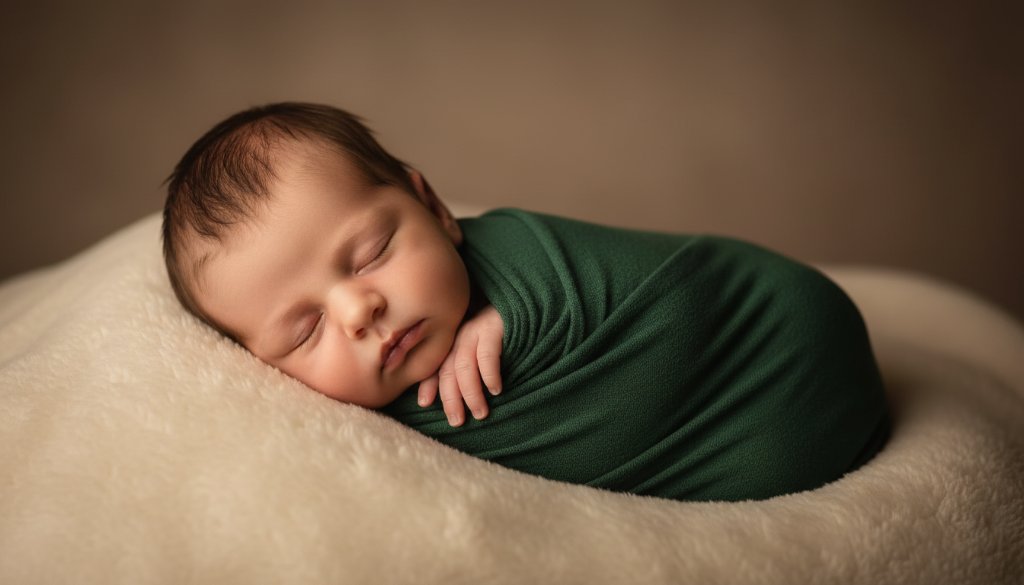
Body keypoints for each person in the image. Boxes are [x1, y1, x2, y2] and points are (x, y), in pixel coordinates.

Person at [163, 102, 889, 501]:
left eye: (372, 253)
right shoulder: (348, 449)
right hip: (768, 447)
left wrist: (509, 309)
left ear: (434, 207)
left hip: (775, 328)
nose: (359, 311)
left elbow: (646, 282)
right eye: (305, 329)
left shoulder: (520, 255)